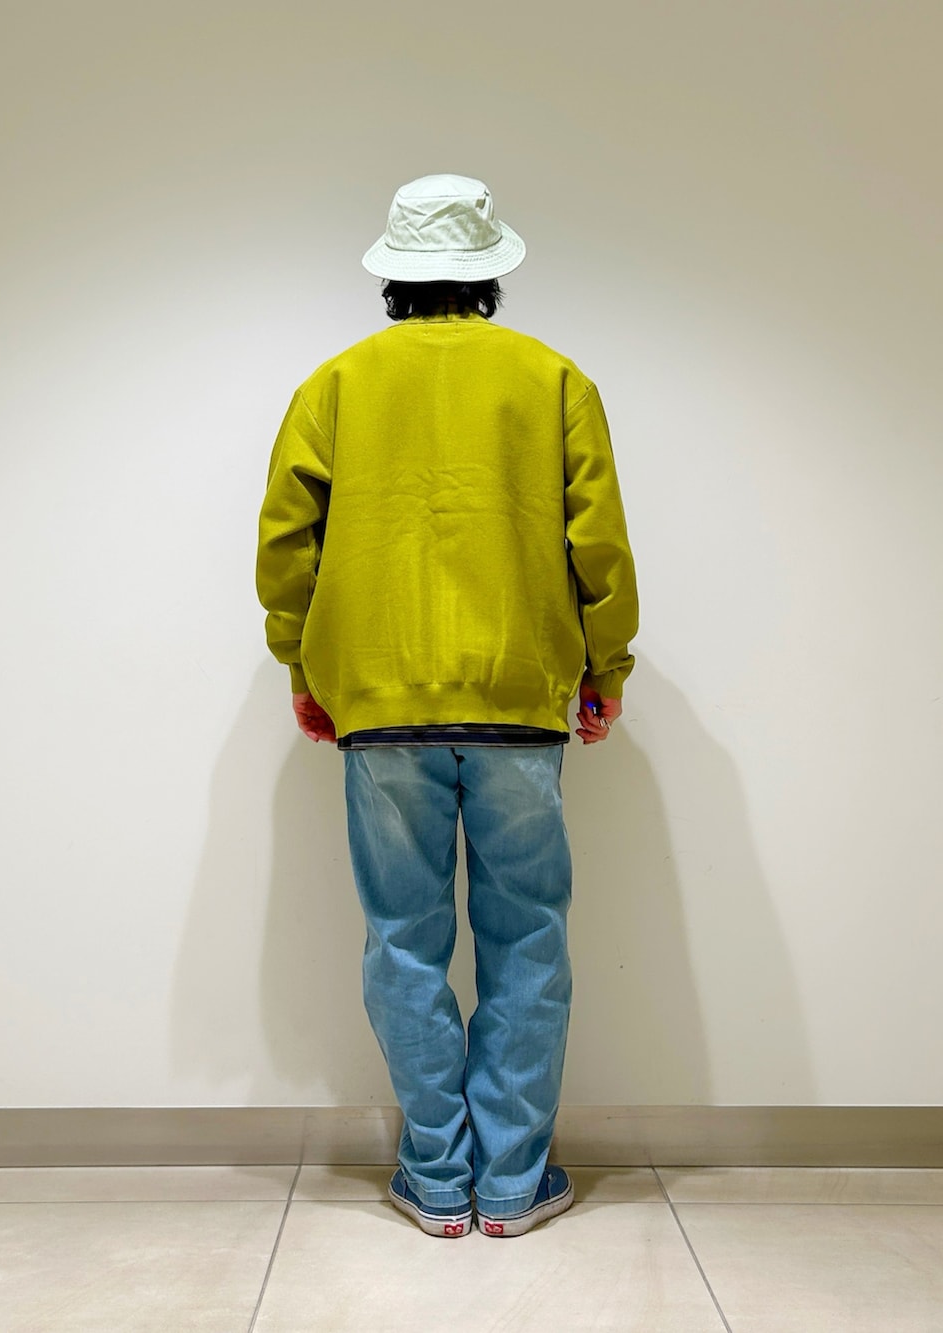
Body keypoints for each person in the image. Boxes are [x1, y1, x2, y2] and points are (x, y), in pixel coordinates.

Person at [256, 174, 638, 1238]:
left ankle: (435, 1177)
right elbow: (599, 545)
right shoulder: (552, 379)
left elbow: (286, 547)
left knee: (402, 940)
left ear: (393, 277)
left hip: (380, 707)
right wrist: (606, 669)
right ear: (489, 273)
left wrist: (304, 669)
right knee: (528, 939)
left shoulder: (336, 384)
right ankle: (510, 1183)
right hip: (518, 702)